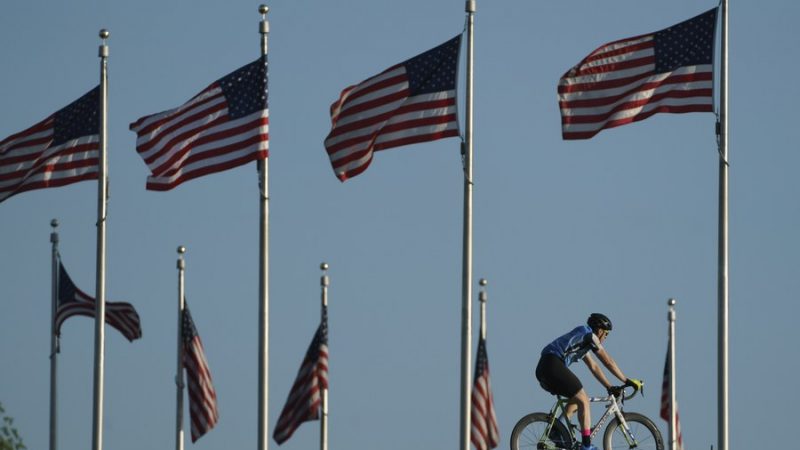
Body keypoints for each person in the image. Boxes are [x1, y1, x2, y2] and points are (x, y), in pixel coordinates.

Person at [535, 313, 643, 450]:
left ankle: (556, 431)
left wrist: (609, 386)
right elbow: (607, 361)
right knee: (584, 400)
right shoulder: (589, 336)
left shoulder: (582, 339)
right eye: (606, 334)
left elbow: (594, 367)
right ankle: (586, 445)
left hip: (544, 368)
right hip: (552, 364)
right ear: (599, 330)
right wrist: (626, 380)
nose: (605, 338)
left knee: (577, 400)